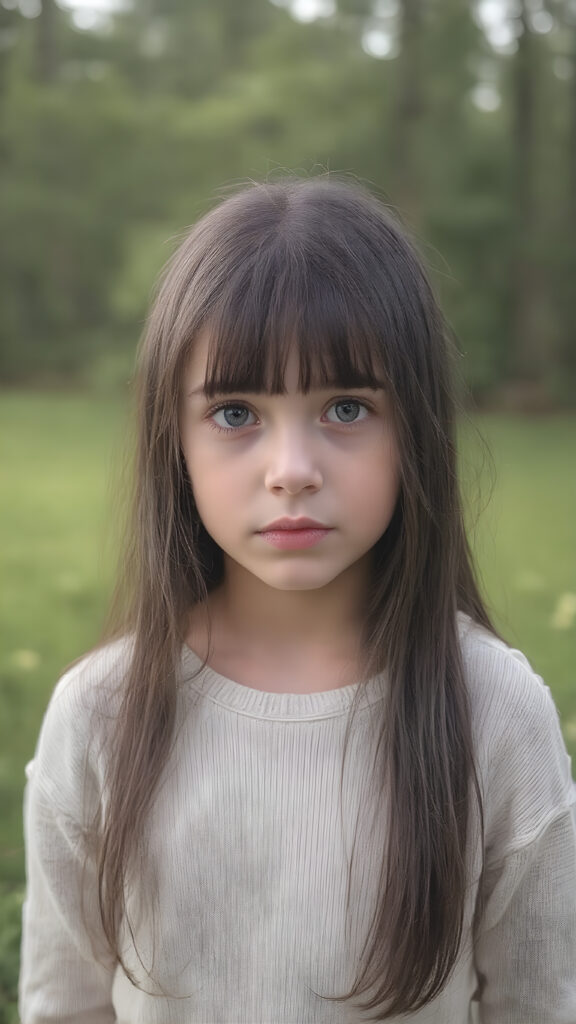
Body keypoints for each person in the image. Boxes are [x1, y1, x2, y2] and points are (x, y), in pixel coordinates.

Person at [19, 177, 576, 1023]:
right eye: (236, 412)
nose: (291, 469)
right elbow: (66, 1006)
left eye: (346, 407)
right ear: (175, 441)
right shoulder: (101, 712)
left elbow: (537, 1005)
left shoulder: (494, 712)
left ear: (417, 427)